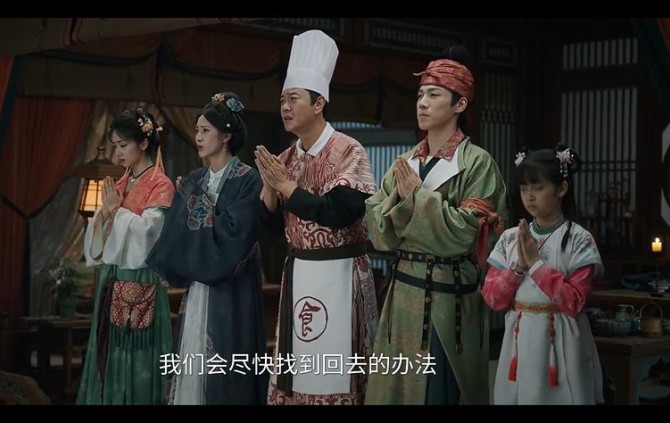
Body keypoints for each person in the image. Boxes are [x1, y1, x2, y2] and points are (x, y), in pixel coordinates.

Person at [363, 46, 507, 405]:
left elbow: (464, 234)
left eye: (434, 95)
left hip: (447, 299)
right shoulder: (405, 161)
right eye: (420, 95)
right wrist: (403, 203)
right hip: (402, 297)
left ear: (460, 104)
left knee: (438, 391)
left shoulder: (478, 163)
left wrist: (415, 198)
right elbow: (377, 229)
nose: (423, 103)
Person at [254, 29, 378, 405]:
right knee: (299, 372)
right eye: (282, 100)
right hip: (300, 274)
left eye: (293, 98)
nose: (285, 107)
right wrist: (268, 190)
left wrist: (286, 187)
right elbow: (269, 230)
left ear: (319, 102)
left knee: (339, 374)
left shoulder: (348, 150)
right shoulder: (286, 159)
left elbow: (338, 213)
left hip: (341, 274)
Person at [146, 92, 267, 405]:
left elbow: (237, 233)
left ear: (225, 136)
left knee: (229, 358)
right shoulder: (195, 178)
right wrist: (191, 203)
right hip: (199, 284)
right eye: (197, 130)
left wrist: (195, 203)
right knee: (193, 349)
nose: (197, 137)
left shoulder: (248, 179)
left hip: (234, 285)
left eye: (205, 130)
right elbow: (176, 230)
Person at [481, 145, 604, 405]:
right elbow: (493, 298)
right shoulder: (510, 238)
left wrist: (536, 264)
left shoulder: (579, 239)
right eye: (524, 189)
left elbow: (575, 302)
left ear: (562, 189)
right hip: (519, 337)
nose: (529, 196)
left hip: (562, 338)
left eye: (538, 188)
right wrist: (518, 267)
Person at [76, 109, 176, 405]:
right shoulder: (122, 182)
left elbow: (149, 234)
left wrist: (115, 212)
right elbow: (103, 226)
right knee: (110, 351)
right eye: (115, 146)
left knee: (139, 357)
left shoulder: (160, 185)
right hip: (114, 278)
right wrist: (107, 214)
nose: (117, 153)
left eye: (123, 146)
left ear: (143, 144)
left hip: (141, 278)